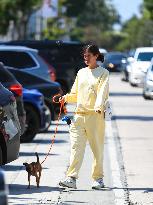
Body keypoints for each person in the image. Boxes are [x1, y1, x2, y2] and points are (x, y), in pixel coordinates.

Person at [59, 44, 109, 190]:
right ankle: (71, 178)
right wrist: (66, 98)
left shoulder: (103, 73)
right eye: (84, 56)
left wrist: (99, 106)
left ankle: (98, 179)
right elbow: (75, 94)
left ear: (96, 56)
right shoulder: (81, 73)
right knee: (76, 147)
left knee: (97, 149)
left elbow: (102, 92)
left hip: (95, 116)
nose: (86, 58)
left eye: (89, 56)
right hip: (79, 116)